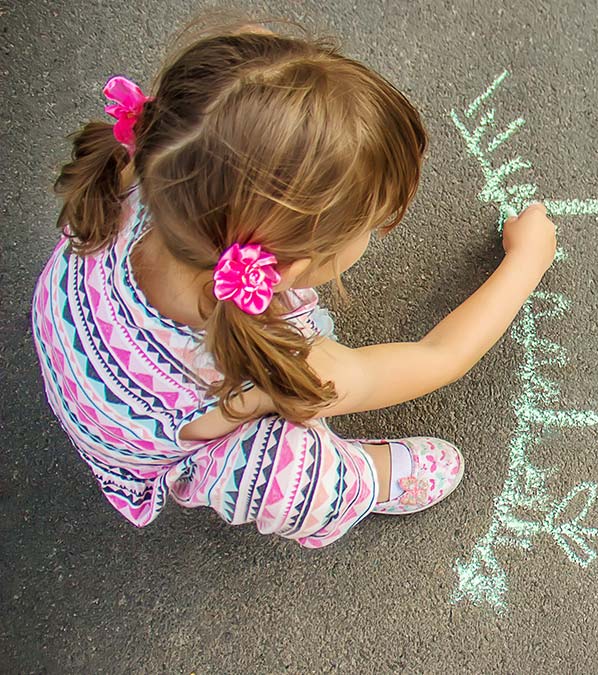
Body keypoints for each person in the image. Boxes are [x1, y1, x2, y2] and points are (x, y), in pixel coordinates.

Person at [30, 23, 557, 548]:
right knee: (293, 476)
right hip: (142, 437)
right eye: (369, 227)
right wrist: (527, 261)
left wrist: (273, 76)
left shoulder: (160, 170)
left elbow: (230, 82)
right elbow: (439, 356)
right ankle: (367, 478)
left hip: (75, 327)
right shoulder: (271, 365)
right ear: (292, 266)